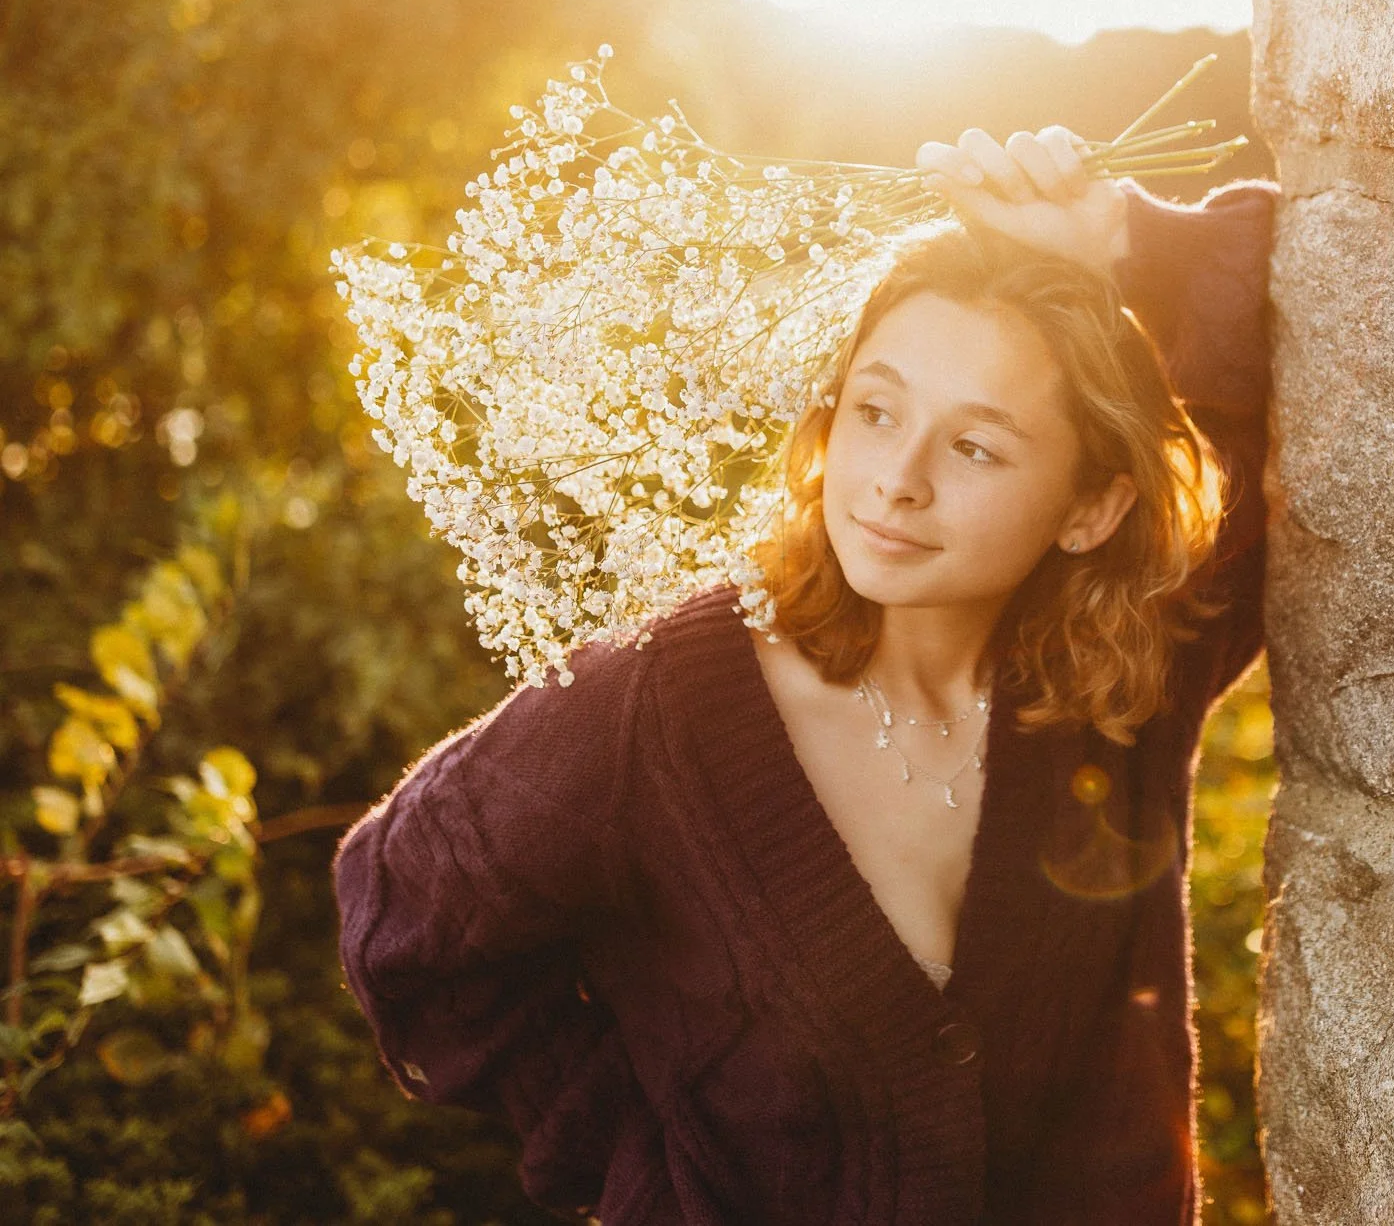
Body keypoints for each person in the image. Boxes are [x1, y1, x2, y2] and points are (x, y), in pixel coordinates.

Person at [331, 122, 1280, 1225]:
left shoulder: (1122, 676)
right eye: (876, 410)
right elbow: (399, 905)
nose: (896, 481)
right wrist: (639, 1170)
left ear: (1091, 507)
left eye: (974, 446)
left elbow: (1315, 317)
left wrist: (1120, 240)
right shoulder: (665, 700)